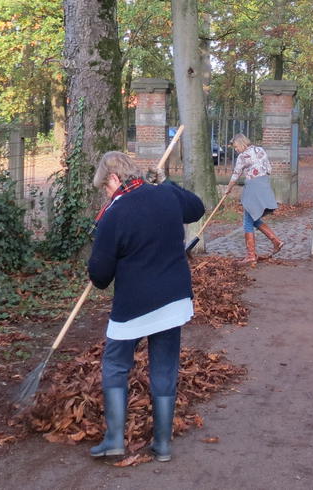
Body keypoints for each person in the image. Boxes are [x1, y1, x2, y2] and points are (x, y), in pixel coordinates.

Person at [86, 151, 205, 462]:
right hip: (174, 301)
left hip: (134, 308)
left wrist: (96, 269)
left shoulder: (115, 214)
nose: (106, 194)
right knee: (164, 367)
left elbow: (99, 276)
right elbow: (196, 207)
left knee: (115, 365)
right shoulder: (165, 195)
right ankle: (162, 445)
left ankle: (114, 439)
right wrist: (168, 184)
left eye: (105, 187)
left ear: (113, 178)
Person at [228, 133, 284, 265]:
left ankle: (251, 255)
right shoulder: (260, 150)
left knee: (248, 221)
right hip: (264, 185)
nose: (236, 149)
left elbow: (236, 174)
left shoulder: (242, 156)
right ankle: (276, 241)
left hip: (253, 188)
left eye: (236, 146)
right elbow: (269, 169)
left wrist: (228, 188)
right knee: (254, 218)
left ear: (241, 143)